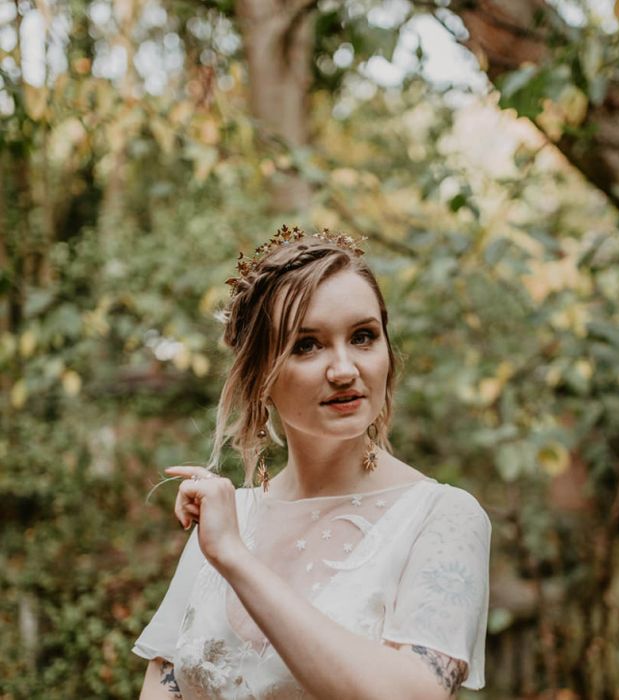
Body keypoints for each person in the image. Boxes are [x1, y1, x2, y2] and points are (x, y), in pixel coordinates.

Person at [133, 226, 491, 699]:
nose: (344, 370)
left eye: (363, 337)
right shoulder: (223, 521)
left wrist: (236, 559)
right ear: (260, 375)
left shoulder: (442, 517)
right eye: (307, 344)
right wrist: (220, 544)